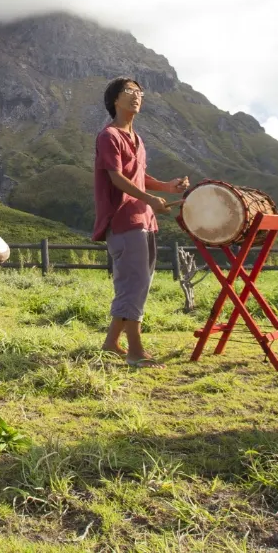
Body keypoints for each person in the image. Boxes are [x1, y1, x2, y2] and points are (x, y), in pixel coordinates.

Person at [93, 78, 188, 367]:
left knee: (139, 284)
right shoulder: (109, 136)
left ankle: (111, 343)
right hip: (124, 221)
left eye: (139, 92)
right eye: (129, 91)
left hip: (145, 220)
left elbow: (138, 176)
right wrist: (149, 198)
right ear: (115, 100)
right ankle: (135, 351)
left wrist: (167, 187)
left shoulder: (137, 138)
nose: (136, 96)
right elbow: (117, 178)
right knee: (133, 286)